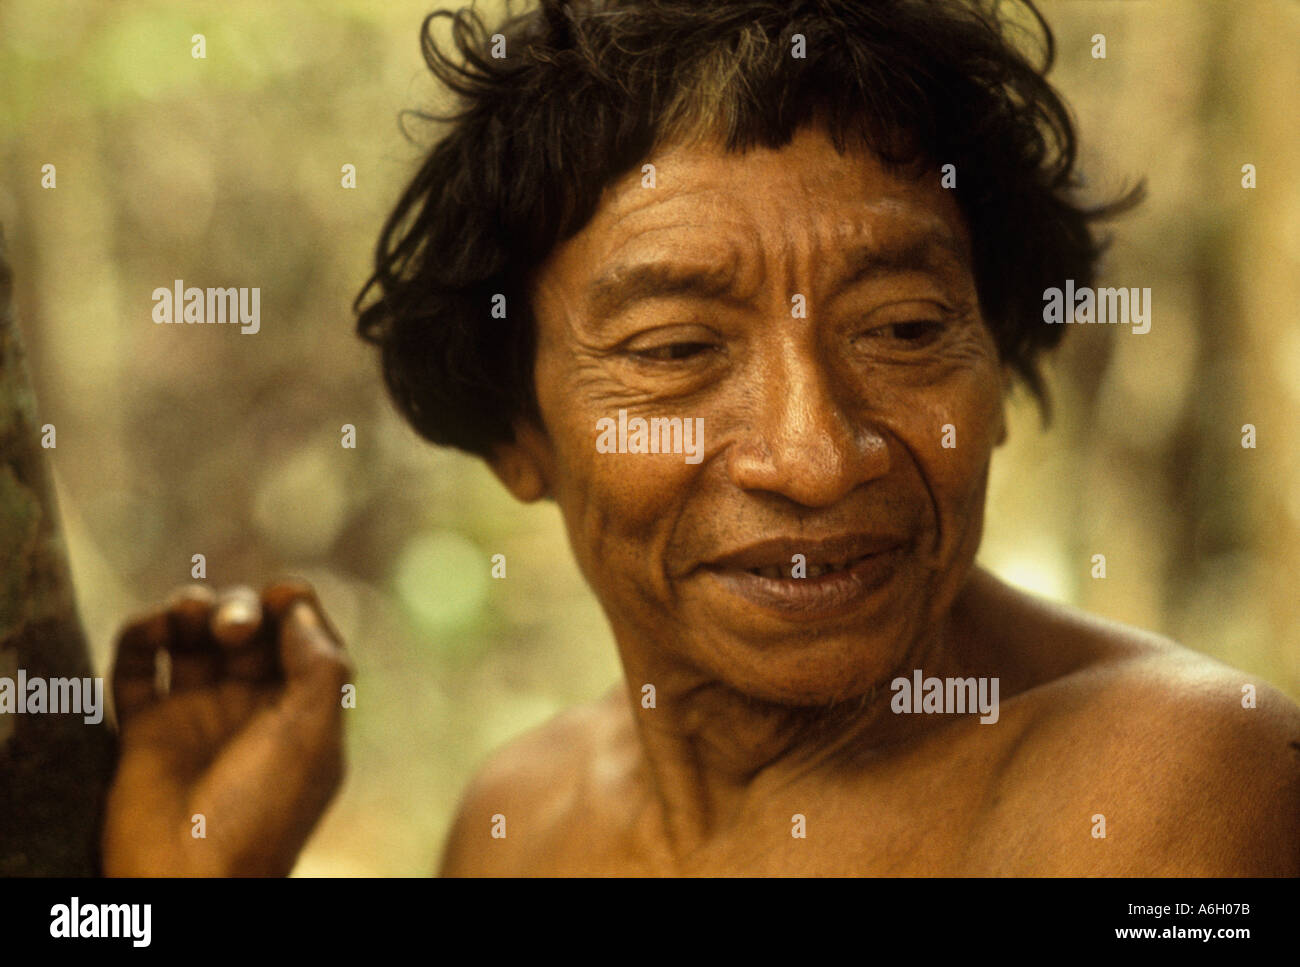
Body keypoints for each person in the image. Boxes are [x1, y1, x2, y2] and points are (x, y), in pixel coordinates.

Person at [101, 0, 1300, 876]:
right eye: (676, 351)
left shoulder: (1178, 780)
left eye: (903, 327)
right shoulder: (520, 821)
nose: (815, 456)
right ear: (518, 436)